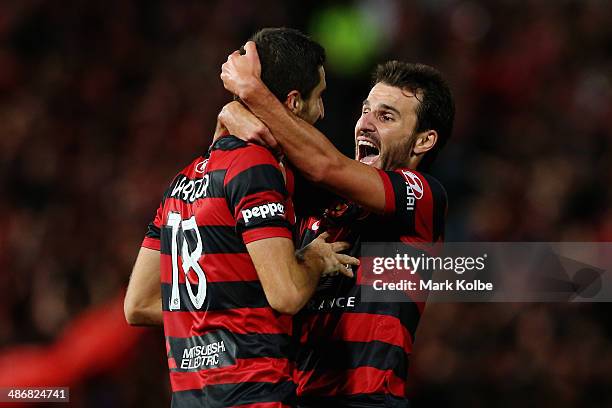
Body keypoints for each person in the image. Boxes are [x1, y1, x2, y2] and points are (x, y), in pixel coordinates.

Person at [124, 28, 358, 408]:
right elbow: (287, 294)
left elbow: (138, 304)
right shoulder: (255, 167)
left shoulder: (182, 180)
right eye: (320, 97)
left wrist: (221, 329)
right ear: (295, 102)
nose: (324, 111)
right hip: (255, 395)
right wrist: (314, 259)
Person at [220, 44, 454, 407]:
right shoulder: (319, 210)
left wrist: (251, 92)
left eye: (387, 117)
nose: (365, 123)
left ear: (423, 140)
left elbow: (326, 165)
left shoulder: (423, 197)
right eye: (365, 111)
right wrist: (228, 119)